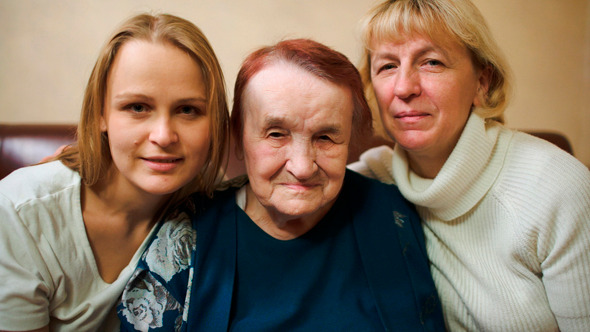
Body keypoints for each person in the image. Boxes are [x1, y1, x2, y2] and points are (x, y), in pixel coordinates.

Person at [117, 38, 445, 331]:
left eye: (326, 137)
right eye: (276, 134)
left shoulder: (393, 214)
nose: (302, 168)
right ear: (238, 136)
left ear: (350, 142)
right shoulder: (185, 235)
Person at [348, 0, 590, 330]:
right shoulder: (376, 179)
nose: (404, 87)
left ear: (482, 82)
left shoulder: (556, 186)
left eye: (432, 62)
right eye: (387, 67)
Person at [0, 13, 229, 331]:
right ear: (100, 115)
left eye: (188, 109)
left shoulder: (213, 201)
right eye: (137, 107)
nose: (163, 136)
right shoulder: (19, 212)